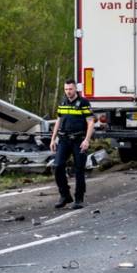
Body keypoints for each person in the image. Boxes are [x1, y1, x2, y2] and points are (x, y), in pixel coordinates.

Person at [49, 79, 94, 209]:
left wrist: (87, 140)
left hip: (79, 140)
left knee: (79, 169)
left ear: (76, 89)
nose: (68, 92)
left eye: (71, 89)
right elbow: (58, 120)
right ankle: (65, 195)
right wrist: (53, 139)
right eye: (66, 89)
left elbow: (91, 122)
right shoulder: (62, 102)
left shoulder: (83, 103)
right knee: (57, 166)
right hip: (64, 139)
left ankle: (79, 199)